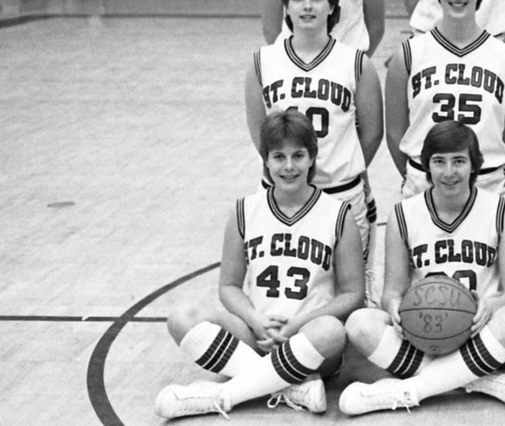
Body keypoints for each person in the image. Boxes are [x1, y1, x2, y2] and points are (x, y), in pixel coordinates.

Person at [154, 110, 365, 419]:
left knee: (332, 331)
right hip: (255, 334)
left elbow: (352, 293)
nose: (289, 166)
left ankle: (222, 395)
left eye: (298, 155)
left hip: (310, 338)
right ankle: (291, 387)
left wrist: (296, 325)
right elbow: (228, 286)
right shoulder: (244, 210)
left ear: (312, 158)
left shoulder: (338, 214)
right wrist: (254, 320)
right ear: (265, 159)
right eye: (279, 156)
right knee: (181, 317)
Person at [338, 121, 505, 414]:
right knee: (359, 323)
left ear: (474, 165)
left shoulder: (498, 210)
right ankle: (478, 381)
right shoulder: (404, 213)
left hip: (478, 333)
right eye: (439, 161)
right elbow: (392, 291)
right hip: (423, 335)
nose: (449, 171)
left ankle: (409, 389)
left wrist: (491, 306)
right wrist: (394, 308)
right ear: (427, 167)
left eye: (459, 161)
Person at [245, 0, 384, 283]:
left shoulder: (356, 63)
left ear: (333, 5)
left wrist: (341, 166)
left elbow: (373, 132)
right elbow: (259, 133)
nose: (307, 6)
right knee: (282, 295)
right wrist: (288, 171)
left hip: (340, 194)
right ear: (286, 6)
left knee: (349, 297)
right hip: (283, 194)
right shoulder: (262, 62)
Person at [385, 0, 505, 200]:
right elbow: (395, 132)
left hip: (487, 184)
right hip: (424, 183)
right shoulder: (408, 55)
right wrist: (419, 175)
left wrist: (490, 176)